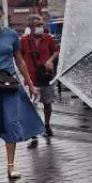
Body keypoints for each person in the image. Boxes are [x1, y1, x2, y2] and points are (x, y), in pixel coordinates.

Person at [0, 3, 43, 179]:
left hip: (10, 84)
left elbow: (20, 61)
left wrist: (30, 84)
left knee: (11, 122)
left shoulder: (11, 35)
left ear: (3, 16)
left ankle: (10, 166)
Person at [19, 13, 59, 146]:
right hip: (32, 79)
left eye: (42, 25)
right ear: (30, 26)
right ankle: (34, 130)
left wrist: (50, 60)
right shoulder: (24, 41)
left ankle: (47, 124)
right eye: (38, 25)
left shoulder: (48, 38)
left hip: (46, 76)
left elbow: (56, 51)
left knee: (47, 103)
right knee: (33, 105)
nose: (40, 27)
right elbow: (19, 57)